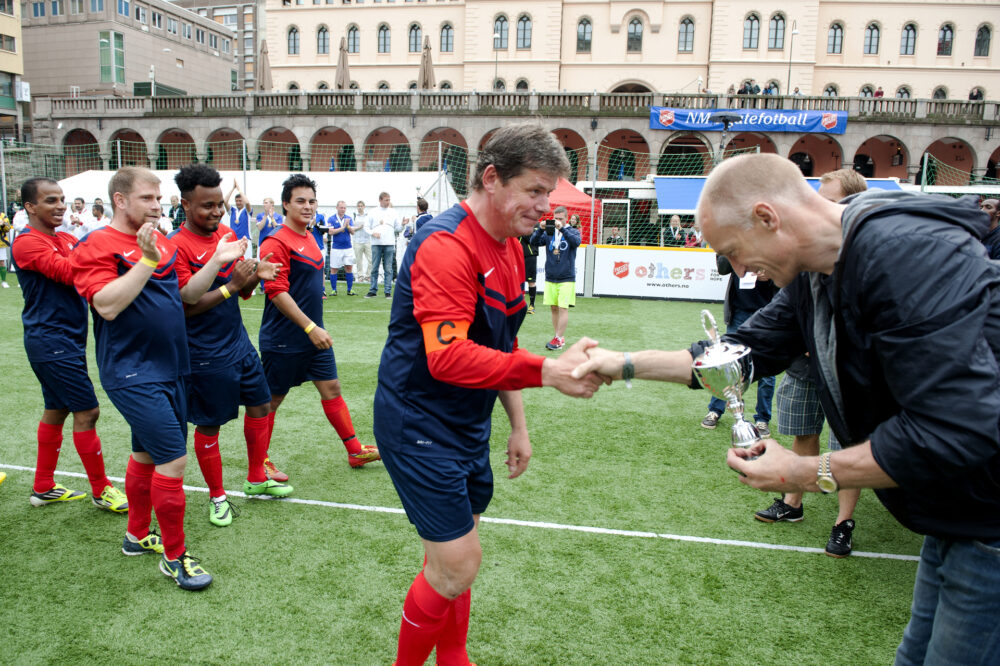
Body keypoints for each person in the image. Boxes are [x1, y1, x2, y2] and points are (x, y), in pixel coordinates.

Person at [573, 153, 1000, 663]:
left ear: (766, 217)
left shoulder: (905, 253)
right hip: (957, 513)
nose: (737, 269)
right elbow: (742, 352)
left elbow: (956, 430)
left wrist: (805, 470)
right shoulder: (818, 271)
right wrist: (620, 364)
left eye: (733, 251)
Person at [373, 123, 606, 666]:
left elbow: (502, 344)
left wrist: (518, 426)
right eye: (535, 190)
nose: (546, 206)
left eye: (550, 193)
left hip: (466, 424)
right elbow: (448, 355)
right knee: (457, 564)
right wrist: (550, 371)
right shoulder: (445, 245)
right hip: (418, 424)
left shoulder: (509, 248)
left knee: (451, 561)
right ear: (491, 177)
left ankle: (453, 655)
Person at [72, 166, 245, 591]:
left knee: (147, 456)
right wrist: (147, 260)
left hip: (173, 367)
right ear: (120, 200)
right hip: (133, 372)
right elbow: (107, 306)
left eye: (157, 198)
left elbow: (185, 296)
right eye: (147, 198)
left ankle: (135, 536)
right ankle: (174, 557)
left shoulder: (159, 241)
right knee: (173, 459)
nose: (156, 205)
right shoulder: (97, 244)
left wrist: (219, 263)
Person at [754, 168, 868, 558]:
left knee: (846, 447)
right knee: (802, 432)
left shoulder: (868, 253)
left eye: (828, 199)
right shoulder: (807, 251)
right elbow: (782, 313)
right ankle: (792, 503)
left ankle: (843, 523)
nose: (818, 207)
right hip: (803, 364)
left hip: (846, 370)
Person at [170, 164, 291, 527]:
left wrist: (255, 276)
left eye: (219, 204)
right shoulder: (176, 246)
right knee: (211, 426)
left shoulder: (225, 233)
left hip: (238, 345)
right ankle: (217, 497)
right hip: (205, 354)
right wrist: (233, 286)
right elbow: (185, 307)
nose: (217, 212)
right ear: (186, 204)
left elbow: (243, 291)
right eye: (207, 205)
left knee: (259, 407)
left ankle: (256, 477)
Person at [12, 178, 127, 513]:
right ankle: (101, 489)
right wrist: (104, 251)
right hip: (49, 340)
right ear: (30, 207)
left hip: (68, 339)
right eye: (51, 200)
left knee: (57, 409)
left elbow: (84, 264)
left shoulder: (63, 237)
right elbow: (68, 272)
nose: (60, 205)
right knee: (87, 411)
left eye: (62, 199)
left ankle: (43, 486)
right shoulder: (27, 243)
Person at [259, 174, 380, 470]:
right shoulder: (275, 242)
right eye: (300, 201)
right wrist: (310, 327)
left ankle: (355, 451)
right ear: (285, 204)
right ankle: (259, 462)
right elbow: (276, 293)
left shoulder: (311, 238)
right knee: (271, 401)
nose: (308, 206)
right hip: (284, 338)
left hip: (314, 336)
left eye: (312, 201)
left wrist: (314, 329)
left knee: (332, 388)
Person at [700, 254, 777, 436]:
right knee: (727, 363)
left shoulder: (772, 232)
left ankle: (762, 419)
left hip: (769, 311)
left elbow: (790, 266)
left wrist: (772, 272)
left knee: (767, 368)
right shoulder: (732, 236)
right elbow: (723, 267)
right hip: (739, 311)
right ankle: (715, 410)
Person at [531, 206, 580, 350]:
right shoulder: (549, 232)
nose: (557, 221)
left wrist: (562, 228)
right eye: (555, 218)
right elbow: (534, 242)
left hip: (566, 277)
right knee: (553, 308)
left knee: (563, 307)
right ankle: (558, 335)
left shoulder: (572, 231)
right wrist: (540, 228)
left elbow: (576, 242)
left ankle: (558, 338)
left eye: (560, 219)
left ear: (566, 218)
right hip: (550, 276)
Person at [365, 191, 402, 299]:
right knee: (374, 267)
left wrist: (403, 225)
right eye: (386, 200)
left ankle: (387, 291)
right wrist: (373, 233)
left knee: (388, 268)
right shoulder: (372, 212)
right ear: (380, 200)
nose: (388, 202)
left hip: (389, 243)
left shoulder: (393, 212)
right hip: (376, 244)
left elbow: (398, 228)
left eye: (389, 200)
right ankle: (373, 290)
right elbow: (366, 227)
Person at [327, 200, 356, 296]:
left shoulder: (349, 218)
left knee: (349, 267)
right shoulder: (331, 219)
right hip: (336, 247)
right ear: (337, 208)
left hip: (348, 247)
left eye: (344, 208)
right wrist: (343, 227)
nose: (343, 209)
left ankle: (349, 289)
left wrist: (347, 226)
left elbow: (352, 232)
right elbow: (330, 232)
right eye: (341, 207)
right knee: (334, 268)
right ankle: (334, 290)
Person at [225, 180, 253, 261]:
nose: (238, 203)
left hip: (245, 240)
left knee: (247, 263)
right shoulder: (232, 210)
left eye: (240, 201)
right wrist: (233, 188)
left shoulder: (247, 211)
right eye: (236, 201)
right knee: (235, 264)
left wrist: (239, 189)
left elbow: (247, 202)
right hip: (234, 241)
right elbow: (225, 201)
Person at [520, 225, 540, 314]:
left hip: (530, 256)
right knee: (517, 281)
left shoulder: (536, 225)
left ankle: (532, 305)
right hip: (517, 255)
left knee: (531, 281)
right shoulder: (517, 221)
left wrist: (521, 229)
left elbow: (531, 239)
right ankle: (520, 304)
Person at [351, 200, 371, 282]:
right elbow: (351, 228)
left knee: (371, 260)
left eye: (361, 206)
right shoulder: (354, 216)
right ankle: (360, 276)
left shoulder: (368, 216)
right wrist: (359, 227)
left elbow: (370, 227)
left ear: (364, 207)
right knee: (359, 260)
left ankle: (368, 275)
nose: (360, 207)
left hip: (367, 240)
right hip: (357, 241)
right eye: (358, 206)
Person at [0, 210, 10, 287]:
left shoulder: (3, 216)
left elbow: (8, 227)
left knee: (1, 262)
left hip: (1, 243)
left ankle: (4, 281)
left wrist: (3, 224)